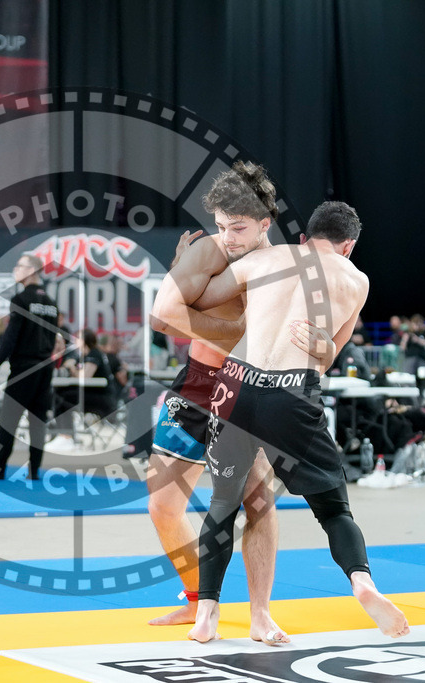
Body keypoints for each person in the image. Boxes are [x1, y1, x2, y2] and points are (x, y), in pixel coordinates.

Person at [177, 200, 409, 643]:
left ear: (303, 238)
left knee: (222, 505)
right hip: (291, 391)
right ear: (348, 247)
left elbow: (200, 298)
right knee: (334, 510)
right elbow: (328, 356)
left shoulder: (266, 257)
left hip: (235, 386)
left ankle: (207, 612)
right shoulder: (355, 280)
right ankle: (362, 582)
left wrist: (191, 265)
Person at [148, 161, 333, 641]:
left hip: (250, 386)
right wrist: (237, 330)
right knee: (163, 504)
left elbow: (317, 339)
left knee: (257, 501)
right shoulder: (212, 250)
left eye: (238, 228)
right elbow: (163, 315)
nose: (227, 237)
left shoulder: (285, 264)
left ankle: (260, 613)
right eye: (221, 225)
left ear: (265, 225)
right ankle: (196, 600)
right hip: (196, 384)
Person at [0, 254, 59, 480]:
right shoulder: (51, 303)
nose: (15, 270)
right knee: (37, 420)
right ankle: (34, 471)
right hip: (45, 368)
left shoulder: (21, 299)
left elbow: (11, 336)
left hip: (24, 368)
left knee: (8, 419)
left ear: (31, 270)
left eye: (19, 266)